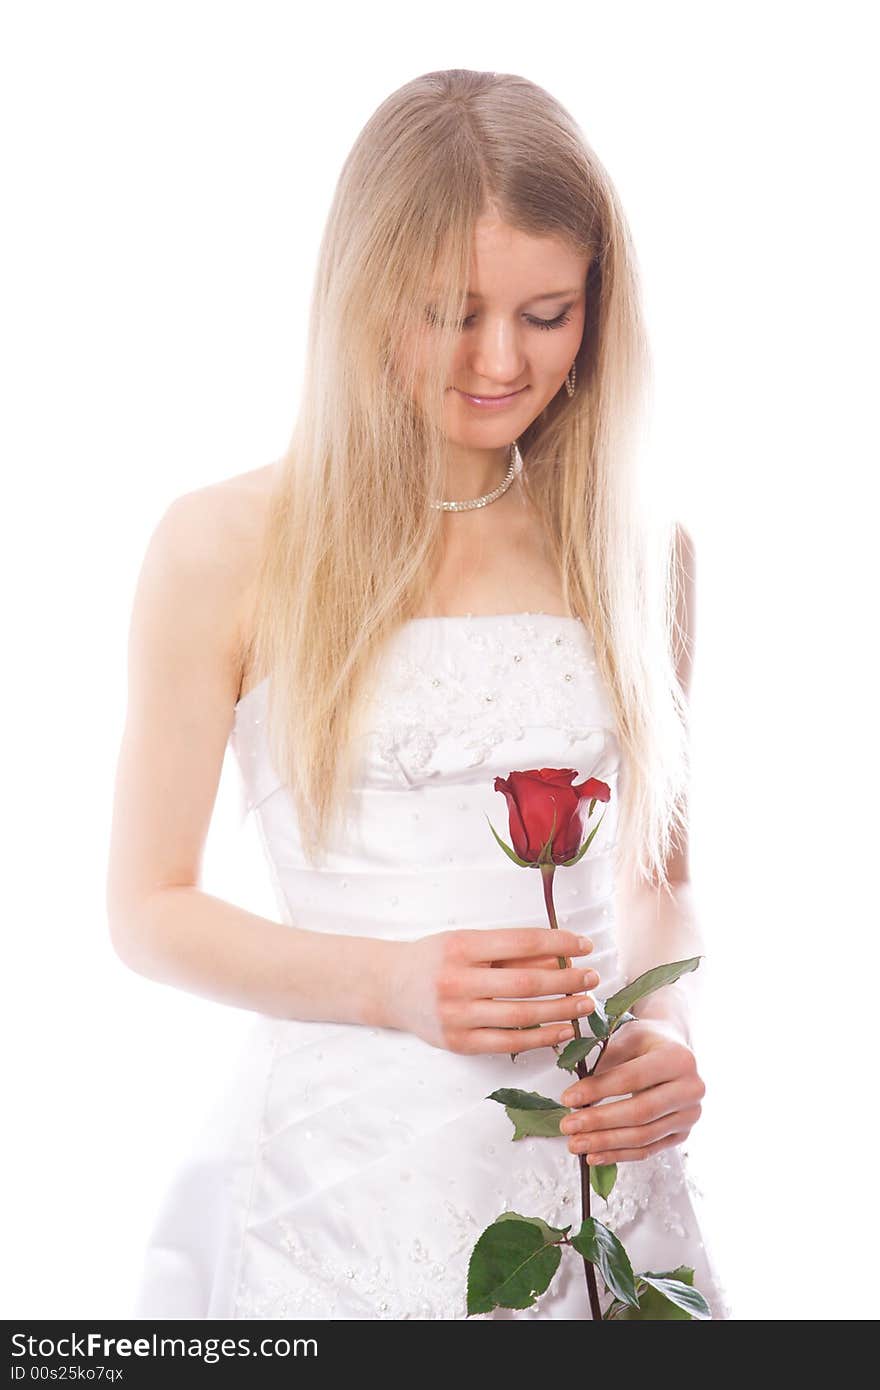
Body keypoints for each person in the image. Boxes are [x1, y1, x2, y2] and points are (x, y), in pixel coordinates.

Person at [107, 68, 731, 1320]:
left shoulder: (639, 551)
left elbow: (657, 883)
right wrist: (391, 984)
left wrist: (666, 1036)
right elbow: (147, 909)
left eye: (547, 313)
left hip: (594, 1172)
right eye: (450, 312)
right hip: (345, 1177)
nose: (501, 362)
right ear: (362, 294)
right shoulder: (222, 545)